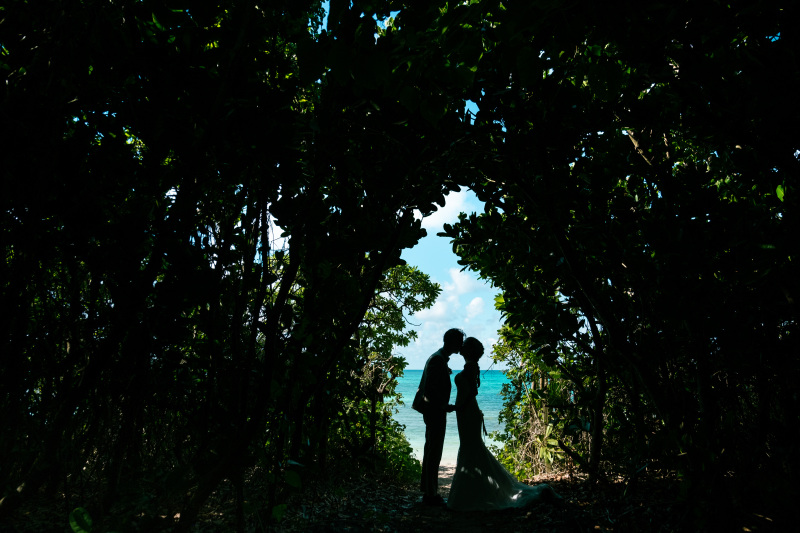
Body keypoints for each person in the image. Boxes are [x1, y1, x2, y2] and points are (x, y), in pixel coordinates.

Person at [447, 337, 560, 511]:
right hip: (466, 412)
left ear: (467, 351)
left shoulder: (470, 367)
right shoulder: (470, 366)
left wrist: (458, 407)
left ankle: (472, 494)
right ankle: (476, 490)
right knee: (471, 448)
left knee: (471, 448)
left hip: (467, 412)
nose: (460, 348)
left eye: (464, 346)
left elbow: (472, 392)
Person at [413, 328, 464, 506]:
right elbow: (431, 389)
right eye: (460, 342)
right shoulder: (437, 359)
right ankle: (430, 494)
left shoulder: (439, 358)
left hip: (435, 411)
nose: (461, 346)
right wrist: (444, 406)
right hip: (435, 411)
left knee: (433, 450)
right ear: (452, 342)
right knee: (434, 451)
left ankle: (429, 491)